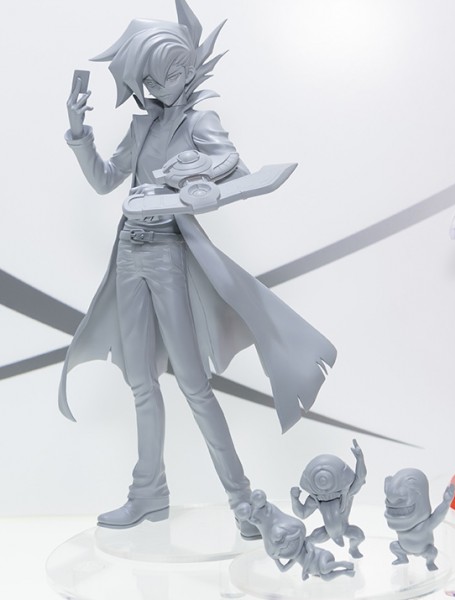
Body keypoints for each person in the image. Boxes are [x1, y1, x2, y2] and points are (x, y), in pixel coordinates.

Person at [60, 0, 337, 532]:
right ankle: (148, 494)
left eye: (158, 76)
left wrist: (194, 176)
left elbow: (237, 171)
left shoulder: (200, 120)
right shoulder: (144, 126)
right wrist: (79, 133)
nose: (151, 88)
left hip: (167, 254)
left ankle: (244, 503)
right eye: (145, 80)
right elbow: (104, 180)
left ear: (184, 68)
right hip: (129, 254)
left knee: (192, 383)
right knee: (140, 380)